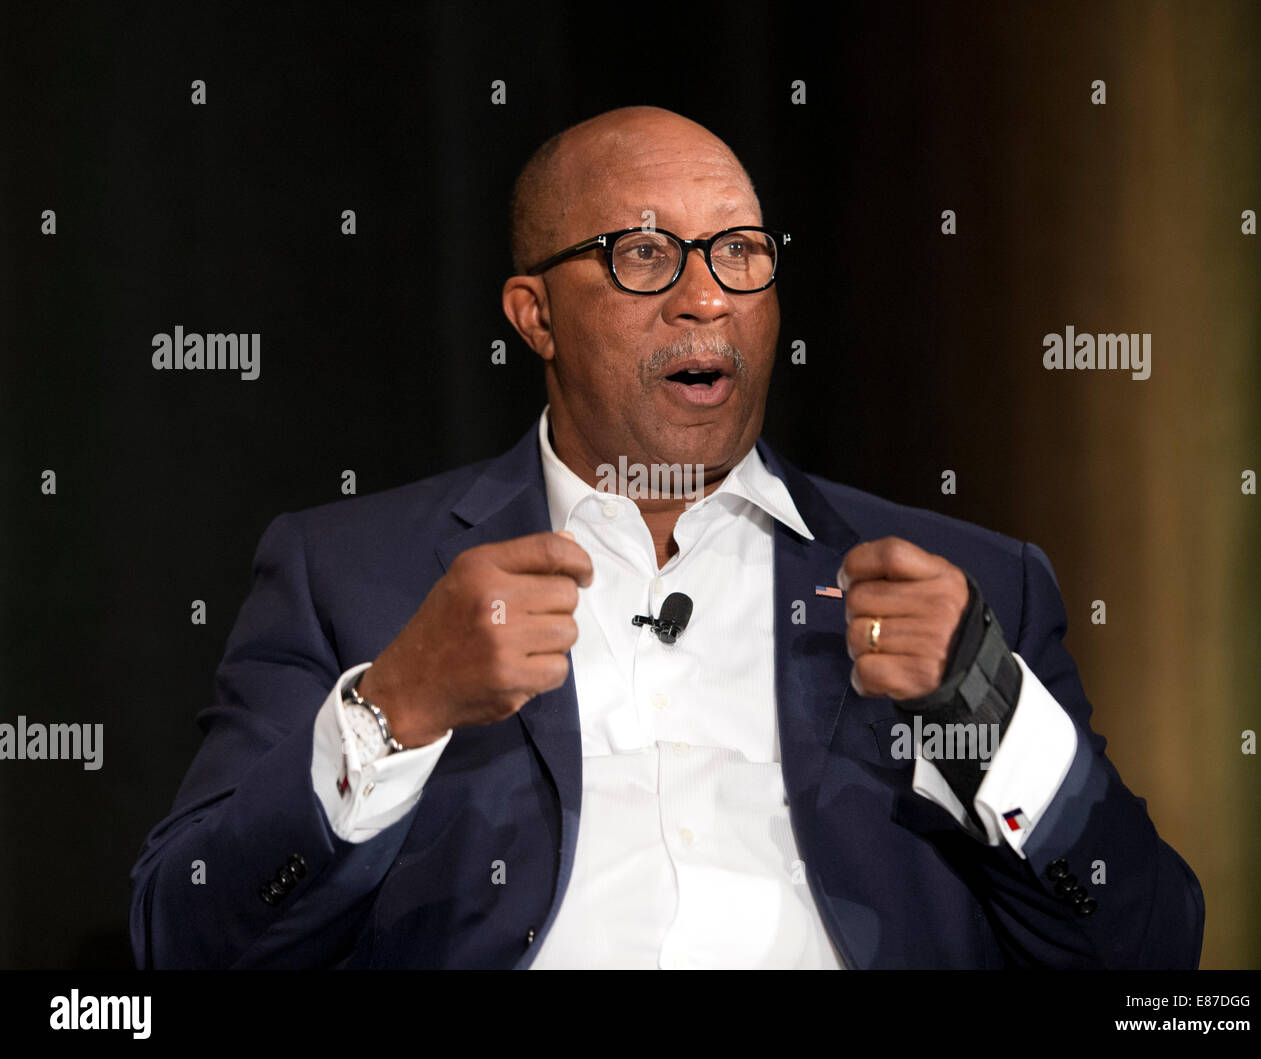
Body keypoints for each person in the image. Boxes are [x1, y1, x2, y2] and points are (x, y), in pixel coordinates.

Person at [129, 106, 1204, 969]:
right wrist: (397, 707)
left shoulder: (969, 584)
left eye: (740, 254)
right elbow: (187, 937)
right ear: (534, 314)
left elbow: (1145, 944)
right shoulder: (349, 572)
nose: (706, 299)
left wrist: (986, 714)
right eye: (643, 254)